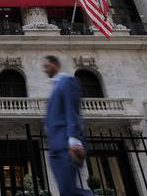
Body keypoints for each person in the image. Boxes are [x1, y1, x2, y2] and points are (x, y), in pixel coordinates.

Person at [43, 55, 92, 196]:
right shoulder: (56, 86)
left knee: (68, 191)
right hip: (55, 147)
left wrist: (73, 140)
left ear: (55, 64)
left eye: (47, 66)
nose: (45, 70)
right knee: (67, 191)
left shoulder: (67, 81)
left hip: (66, 144)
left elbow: (72, 111)